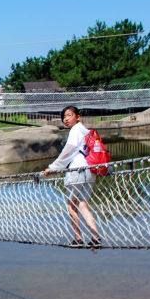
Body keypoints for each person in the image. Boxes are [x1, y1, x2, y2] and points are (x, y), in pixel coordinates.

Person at [43, 106, 102, 248]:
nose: (66, 119)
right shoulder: (85, 131)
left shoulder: (76, 130)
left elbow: (69, 150)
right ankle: (95, 238)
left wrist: (53, 167)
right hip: (90, 170)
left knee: (71, 205)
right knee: (82, 204)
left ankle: (78, 238)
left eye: (69, 115)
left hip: (77, 169)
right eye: (64, 117)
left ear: (78, 116)